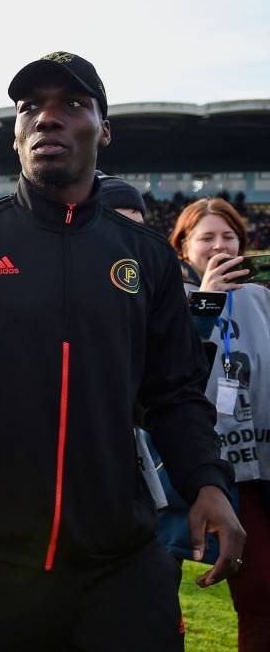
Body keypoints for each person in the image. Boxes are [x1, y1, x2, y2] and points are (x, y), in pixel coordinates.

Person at [0, 52, 245, 652]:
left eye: (71, 105)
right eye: (31, 108)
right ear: (16, 134)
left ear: (103, 129)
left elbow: (175, 392)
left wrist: (207, 482)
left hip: (122, 556)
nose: (47, 118)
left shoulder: (146, 257)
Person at [165, 198, 270, 651]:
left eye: (228, 236)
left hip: (265, 461)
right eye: (206, 237)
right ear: (184, 248)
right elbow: (171, 372)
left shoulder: (263, 298)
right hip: (217, 473)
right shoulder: (170, 300)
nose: (219, 245)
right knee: (260, 595)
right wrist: (207, 297)